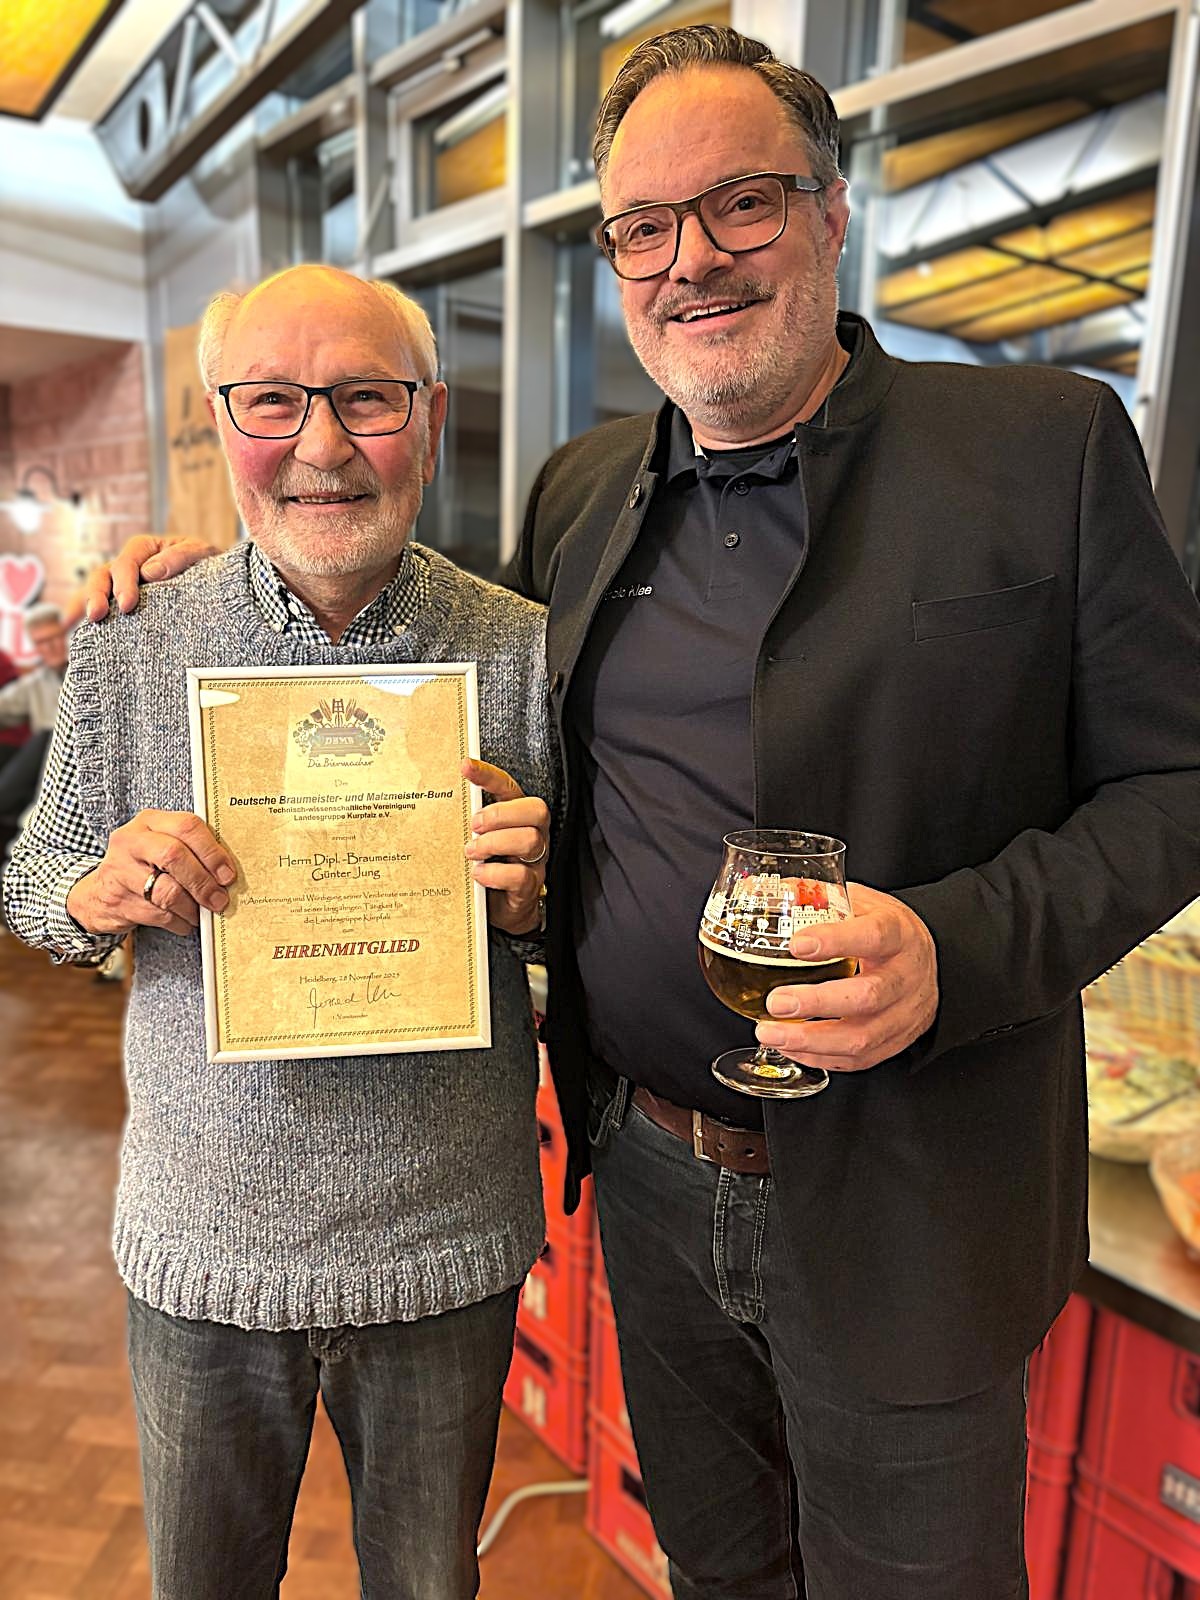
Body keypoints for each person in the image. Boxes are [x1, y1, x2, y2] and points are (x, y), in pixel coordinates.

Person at [82, 25, 1200, 1600]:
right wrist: (215, 573)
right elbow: (438, 685)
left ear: (830, 210)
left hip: (914, 1200)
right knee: (716, 1574)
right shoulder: (585, 489)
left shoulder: (1042, 448)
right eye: (643, 228)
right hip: (656, 1182)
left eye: (740, 203)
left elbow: (1176, 782)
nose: (692, 261)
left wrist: (955, 948)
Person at [4, 264, 557, 1600]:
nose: (321, 445)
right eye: (272, 401)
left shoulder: (526, 653)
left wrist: (539, 904)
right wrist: (95, 892)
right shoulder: (132, 643)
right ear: (222, 422)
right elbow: (29, 884)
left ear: (429, 420)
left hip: (443, 1248)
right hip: (201, 1245)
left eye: (367, 398)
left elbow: (583, 935)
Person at [0, 602, 70, 873]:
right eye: (41, 642)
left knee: (48, 736)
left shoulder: (87, 673)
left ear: (64, 636)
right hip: (40, 776)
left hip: (70, 769)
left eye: (54, 638)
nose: (50, 647)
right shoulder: (35, 684)